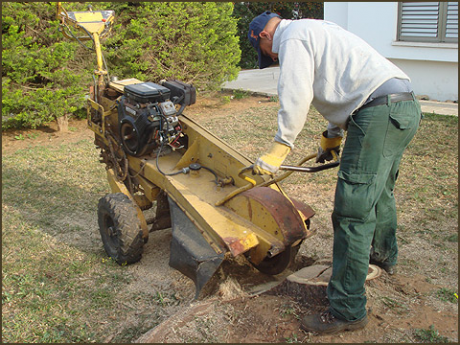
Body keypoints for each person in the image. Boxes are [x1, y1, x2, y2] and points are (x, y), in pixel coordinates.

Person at [248, 11, 422, 335]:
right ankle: (383, 257)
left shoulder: (292, 39)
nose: (273, 58)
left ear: (263, 37)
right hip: (403, 106)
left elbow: (296, 92)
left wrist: (280, 147)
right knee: (379, 191)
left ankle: (347, 309)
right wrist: (333, 136)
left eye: (268, 55)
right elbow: (338, 85)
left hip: (377, 112)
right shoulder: (315, 30)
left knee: (351, 212)